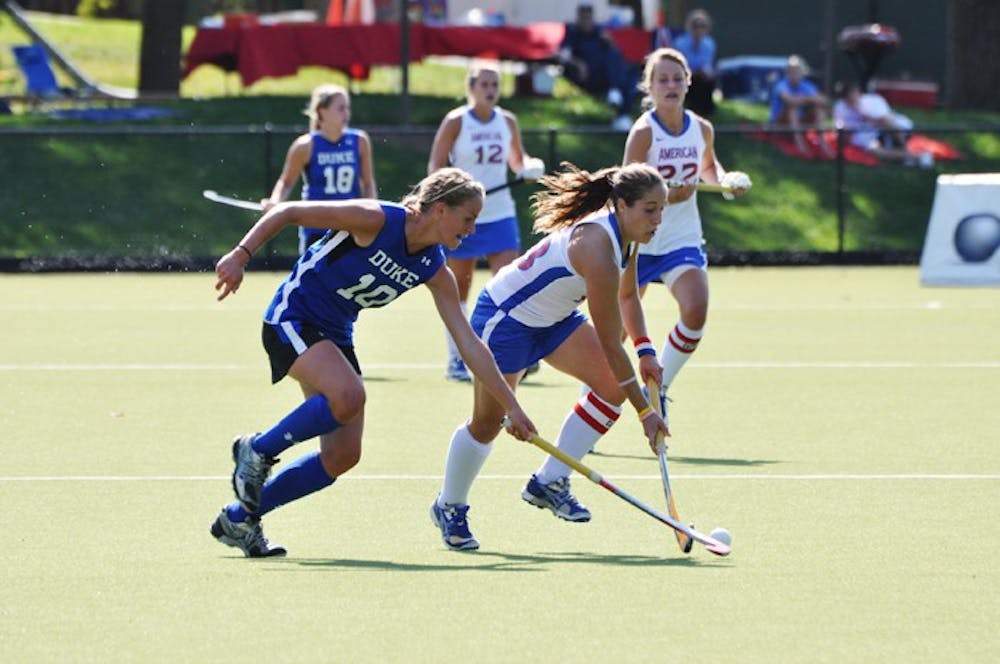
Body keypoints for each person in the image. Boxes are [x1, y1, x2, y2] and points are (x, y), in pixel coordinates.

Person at [210, 168, 536, 558]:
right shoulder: (377, 219)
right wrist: (241, 254)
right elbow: (290, 211)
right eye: (468, 219)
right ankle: (257, 450)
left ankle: (240, 519)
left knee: (342, 456)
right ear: (440, 210)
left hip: (335, 334)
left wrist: (512, 407)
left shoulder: (434, 268)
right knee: (349, 396)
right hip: (292, 317)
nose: (471, 230)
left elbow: (470, 344)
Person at [430, 162, 670, 551]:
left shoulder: (628, 237)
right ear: (621, 205)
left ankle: (549, 481)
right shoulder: (596, 248)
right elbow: (611, 344)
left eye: (662, 209)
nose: (658, 219)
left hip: (555, 321)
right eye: (650, 209)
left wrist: (645, 350)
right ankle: (449, 505)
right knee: (487, 423)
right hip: (505, 319)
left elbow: (628, 296)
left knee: (611, 388)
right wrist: (646, 412)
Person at [622, 47, 751, 420]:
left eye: (677, 78)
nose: (670, 85)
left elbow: (708, 168)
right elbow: (625, 187)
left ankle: (660, 387)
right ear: (650, 86)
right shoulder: (643, 133)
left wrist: (725, 183)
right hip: (640, 241)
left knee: (695, 311)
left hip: (681, 237)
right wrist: (664, 194)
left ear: (688, 83)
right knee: (617, 333)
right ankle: (595, 396)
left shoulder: (701, 128)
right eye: (662, 79)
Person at [427, 61, 545, 382]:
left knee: (512, 284)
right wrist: (449, 198)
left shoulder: (507, 121)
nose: (491, 91)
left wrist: (530, 167)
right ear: (471, 88)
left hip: (500, 214)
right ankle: (456, 359)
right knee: (459, 291)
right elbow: (435, 167)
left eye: (495, 85)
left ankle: (517, 354)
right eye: (485, 85)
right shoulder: (456, 121)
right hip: (462, 217)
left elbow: (518, 161)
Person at [261, 84, 377, 255]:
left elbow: (368, 184)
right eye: (340, 108)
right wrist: (275, 201)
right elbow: (285, 182)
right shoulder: (305, 146)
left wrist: (371, 214)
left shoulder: (359, 141)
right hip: (316, 226)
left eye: (347, 108)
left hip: (349, 226)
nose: (347, 114)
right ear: (322, 111)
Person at [558, 3, 640, 131]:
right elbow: (563, 55)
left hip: (606, 74)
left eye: (588, 18)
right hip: (587, 76)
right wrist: (578, 64)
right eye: (583, 18)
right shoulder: (572, 31)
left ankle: (618, 102)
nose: (585, 21)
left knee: (629, 71)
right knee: (625, 79)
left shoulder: (599, 31)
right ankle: (622, 113)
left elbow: (616, 53)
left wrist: (610, 41)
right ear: (578, 17)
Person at [832, 81, 933, 168]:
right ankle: (913, 157)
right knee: (874, 150)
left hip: (894, 131)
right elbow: (843, 129)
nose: (850, 99)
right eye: (846, 98)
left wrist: (862, 113)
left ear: (857, 91)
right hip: (870, 138)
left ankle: (903, 149)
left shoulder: (873, 100)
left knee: (887, 122)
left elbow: (885, 120)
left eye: (851, 94)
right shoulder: (840, 108)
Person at [769, 55, 835, 158]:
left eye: (797, 71)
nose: (794, 74)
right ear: (787, 72)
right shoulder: (781, 85)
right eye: (792, 71)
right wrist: (809, 99)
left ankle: (823, 145)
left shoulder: (807, 85)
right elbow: (789, 100)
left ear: (803, 73)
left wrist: (804, 99)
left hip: (799, 124)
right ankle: (801, 147)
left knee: (818, 109)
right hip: (780, 127)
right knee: (791, 109)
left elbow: (824, 101)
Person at [672, 8, 716, 117]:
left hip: (701, 77)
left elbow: (707, 64)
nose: (699, 29)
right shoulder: (680, 43)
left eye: (703, 26)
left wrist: (706, 72)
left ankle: (704, 113)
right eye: (696, 26)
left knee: (707, 81)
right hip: (685, 76)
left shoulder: (709, 44)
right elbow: (681, 65)